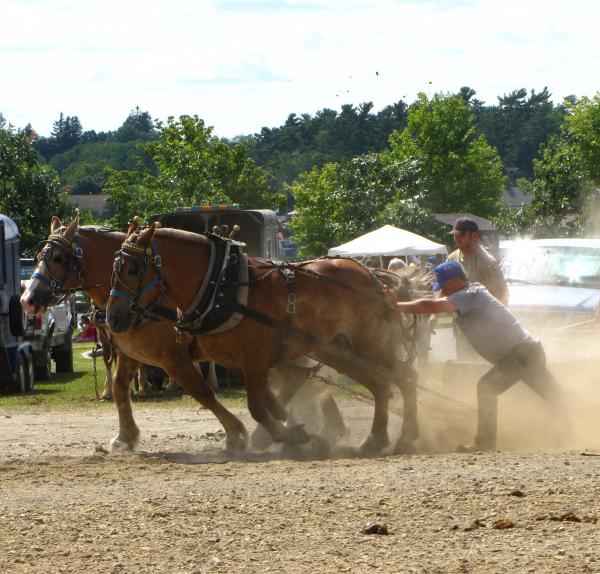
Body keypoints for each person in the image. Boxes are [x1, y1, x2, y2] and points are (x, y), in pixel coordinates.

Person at [385, 260, 564, 452]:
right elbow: (435, 304)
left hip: (522, 353)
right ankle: (585, 419)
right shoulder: (469, 294)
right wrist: (432, 318)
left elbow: (432, 304)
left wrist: (397, 306)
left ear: (456, 282)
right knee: (555, 395)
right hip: (526, 352)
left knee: (487, 387)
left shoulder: (471, 295)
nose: (443, 292)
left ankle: (485, 443)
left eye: (444, 288)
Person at [447, 217, 508, 304]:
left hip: (483, 316)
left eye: (461, 235)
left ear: (474, 235)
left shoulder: (487, 262)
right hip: (462, 316)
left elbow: (502, 296)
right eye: (455, 235)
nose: (457, 238)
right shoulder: (451, 259)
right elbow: (444, 289)